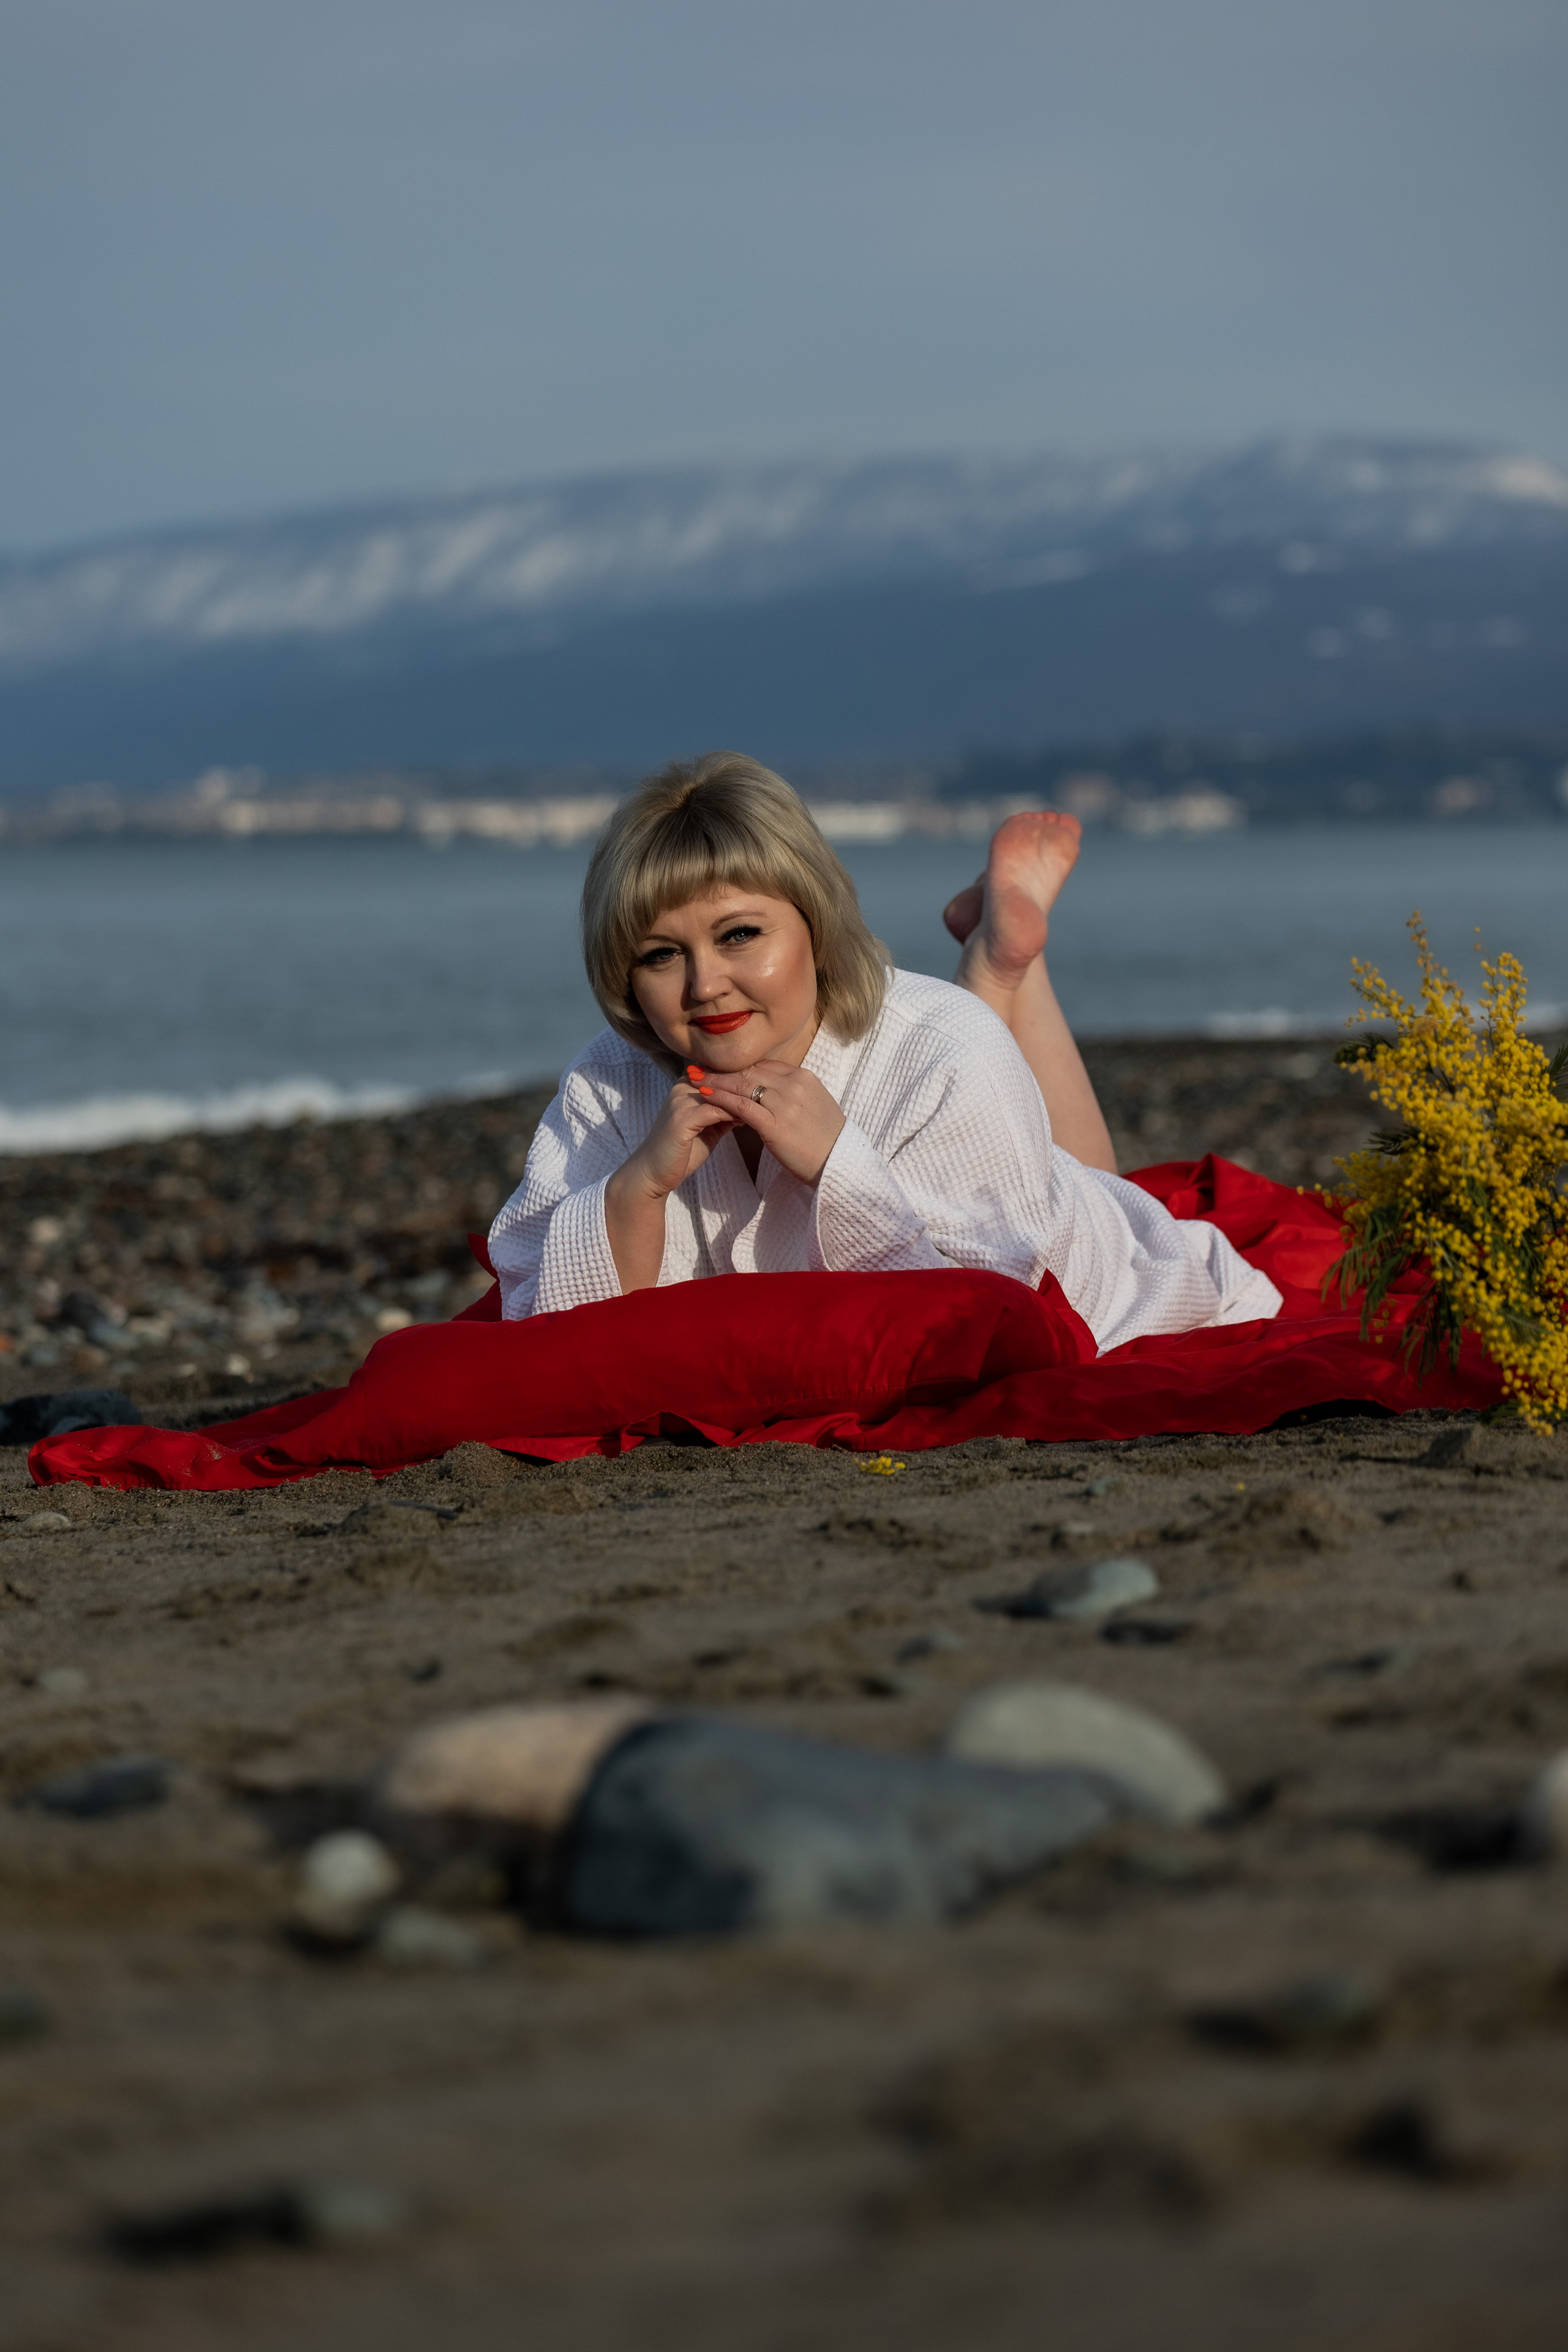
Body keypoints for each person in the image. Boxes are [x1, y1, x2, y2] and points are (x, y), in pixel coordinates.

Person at [488, 753, 1281, 1349]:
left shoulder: (944, 1048)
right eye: (660, 955)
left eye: (740, 936)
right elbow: (535, 1314)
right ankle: (1001, 951)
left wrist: (841, 1168)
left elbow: (994, 1308)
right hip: (992, 1136)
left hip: (1094, 1270)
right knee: (1056, 1155)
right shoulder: (609, 1079)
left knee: (1090, 1192)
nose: (705, 986)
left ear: (815, 922)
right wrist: (637, 1189)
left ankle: (1007, 961)